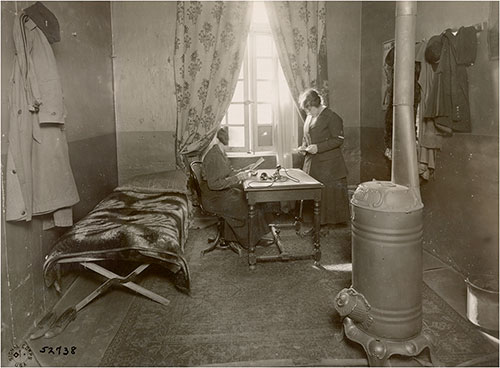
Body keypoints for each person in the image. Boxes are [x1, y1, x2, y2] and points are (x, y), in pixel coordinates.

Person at [200, 127, 271, 248]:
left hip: (222, 193)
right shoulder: (213, 156)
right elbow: (214, 184)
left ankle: (242, 237)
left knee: (246, 198)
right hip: (214, 198)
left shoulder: (220, 152)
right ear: (226, 140)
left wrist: (246, 169)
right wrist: (237, 178)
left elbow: (228, 172)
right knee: (247, 204)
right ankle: (250, 241)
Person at [298, 88, 349, 227]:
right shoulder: (310, 116)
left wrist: (318, 147)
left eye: (309, 109)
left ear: (317, 104)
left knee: (328, 196)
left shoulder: (332, 117)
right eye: (306, 110)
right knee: (315, 194)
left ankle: (328, 224)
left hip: (329, 165)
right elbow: (306, 136)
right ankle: (316, 222)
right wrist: (303, 147)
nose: (308, 112)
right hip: (313, 162)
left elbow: (338, 140)